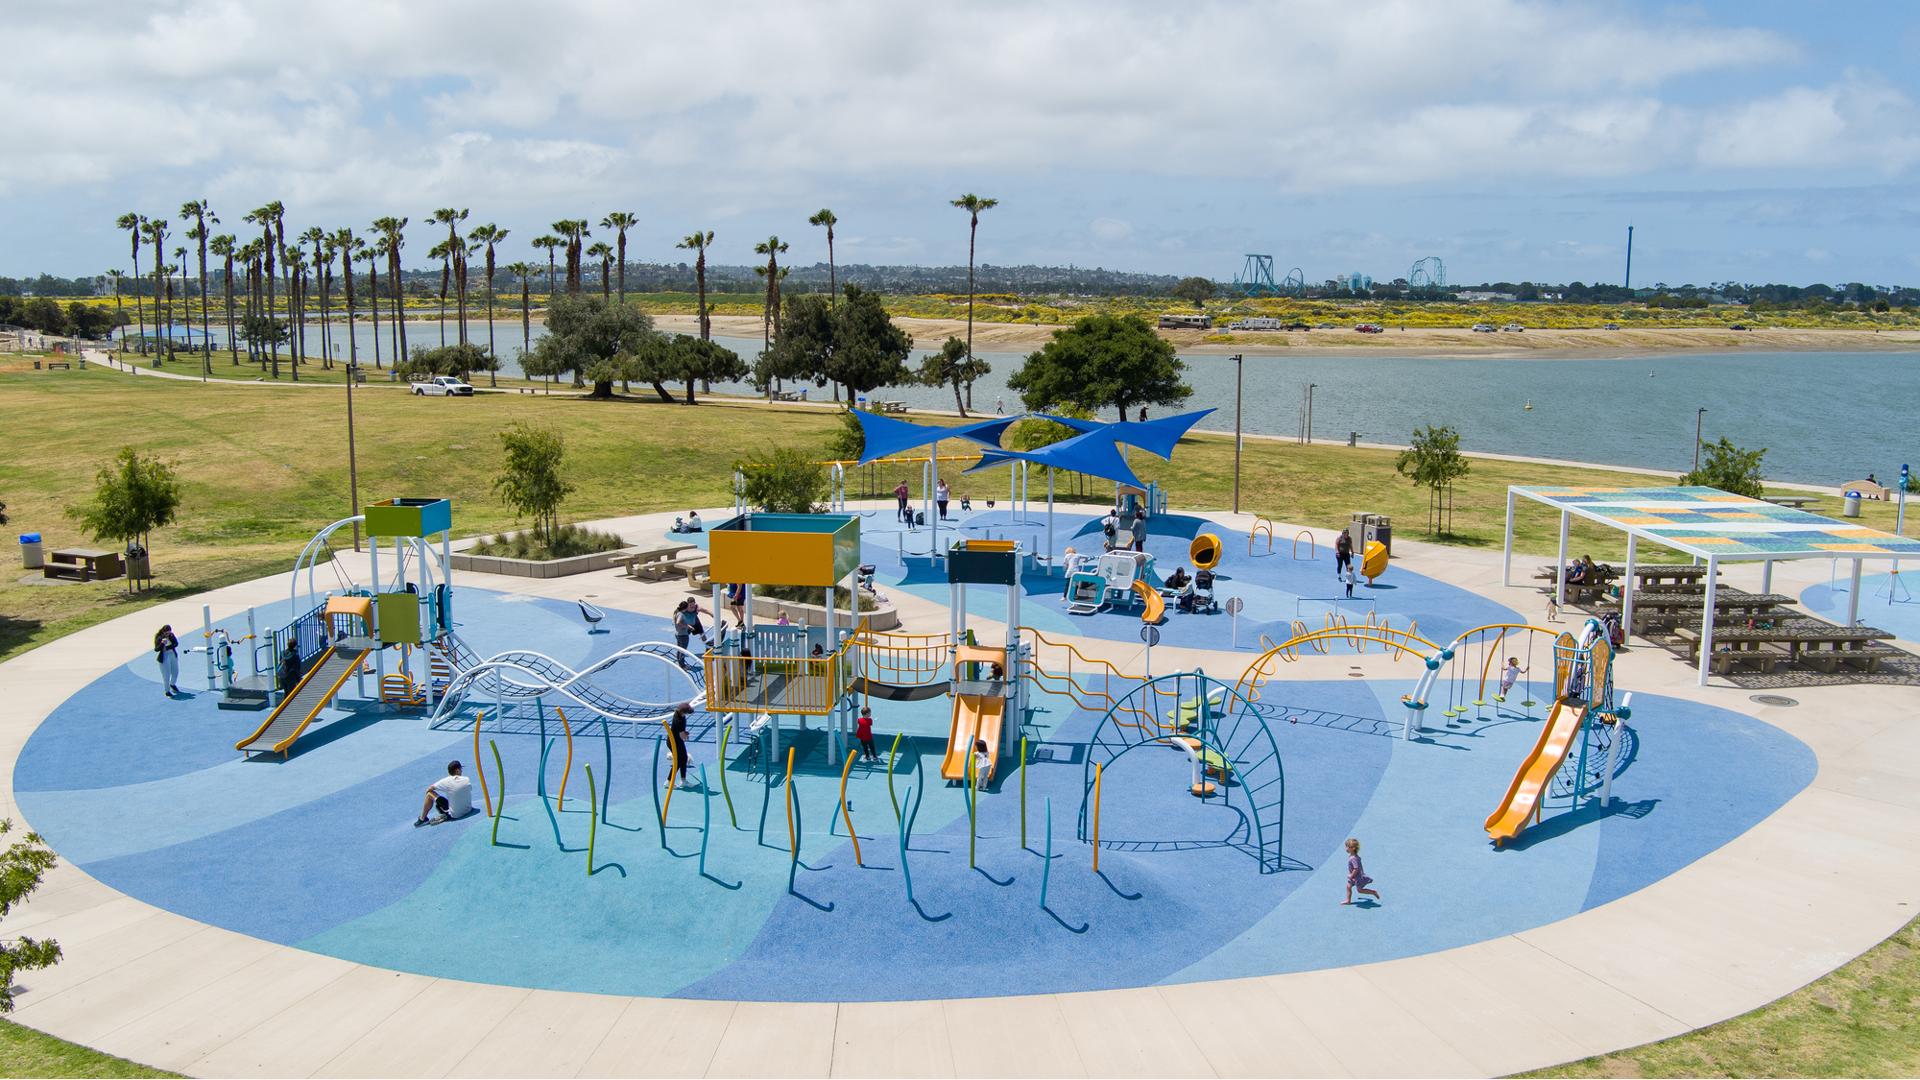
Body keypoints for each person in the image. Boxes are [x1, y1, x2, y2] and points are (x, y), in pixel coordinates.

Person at [415, 761, 473, 826]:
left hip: (455, 815)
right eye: (461, 769)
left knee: (429, 794)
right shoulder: (466, 779)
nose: (461, 771)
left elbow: (429, 789)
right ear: (457, 770)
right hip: (469, 809)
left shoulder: (445, 781)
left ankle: (422, 819)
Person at [1343, 837, 1381, 905]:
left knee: (1360, 890)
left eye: (1347, 847)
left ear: (1353, 848)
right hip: (1354, 877)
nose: (1346, 848)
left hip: (1357, 877)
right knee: (1348, 886)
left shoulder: (1353, 858)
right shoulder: (1354, 856)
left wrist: (1351, 876)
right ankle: (1348, 900)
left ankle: (1373, 892)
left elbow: (1356, 868)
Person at [669, 702, 694, 788]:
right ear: (683, 712)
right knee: (679, 761)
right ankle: (669, 781)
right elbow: (682, 736)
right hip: (674, 741)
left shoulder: (681, 716)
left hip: (677, 740)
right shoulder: (679, 720)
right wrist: (686, 735)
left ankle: (683, 780)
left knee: (684, 759)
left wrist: (684, 733)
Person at [154, 624, 181, 697]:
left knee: (175, 671)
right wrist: (162, 643)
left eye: (169, 632)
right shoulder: (159, 637)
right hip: (164, 656)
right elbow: (156, 649)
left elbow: (176, 643)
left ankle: (172, 684)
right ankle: (167, 690)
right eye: (166, 633)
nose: (168, 634)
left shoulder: (171, 635)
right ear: (163, 632)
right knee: (166, 675)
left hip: (172, 654)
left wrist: (168, 647)